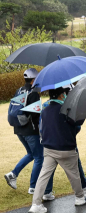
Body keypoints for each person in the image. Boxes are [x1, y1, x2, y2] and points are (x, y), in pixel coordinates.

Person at [28, 87, 86, 213]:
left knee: (43, 175)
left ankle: (36, 204)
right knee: (73, 174)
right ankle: (80, 197)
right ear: (60, 95)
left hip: (48, 149)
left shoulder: (45, 110)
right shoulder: (65, 109)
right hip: (66, 148)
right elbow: (78, 121)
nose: (65, 95)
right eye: (64, 93)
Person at [5, 68, 53, 196]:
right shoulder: (33, 94)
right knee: (39, 157)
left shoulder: (19, 90)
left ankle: (12, 174)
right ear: (33, 80)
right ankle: (33, 187)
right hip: (31, 131)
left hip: (18, 129)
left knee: (31, 154)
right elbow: (36, 116)